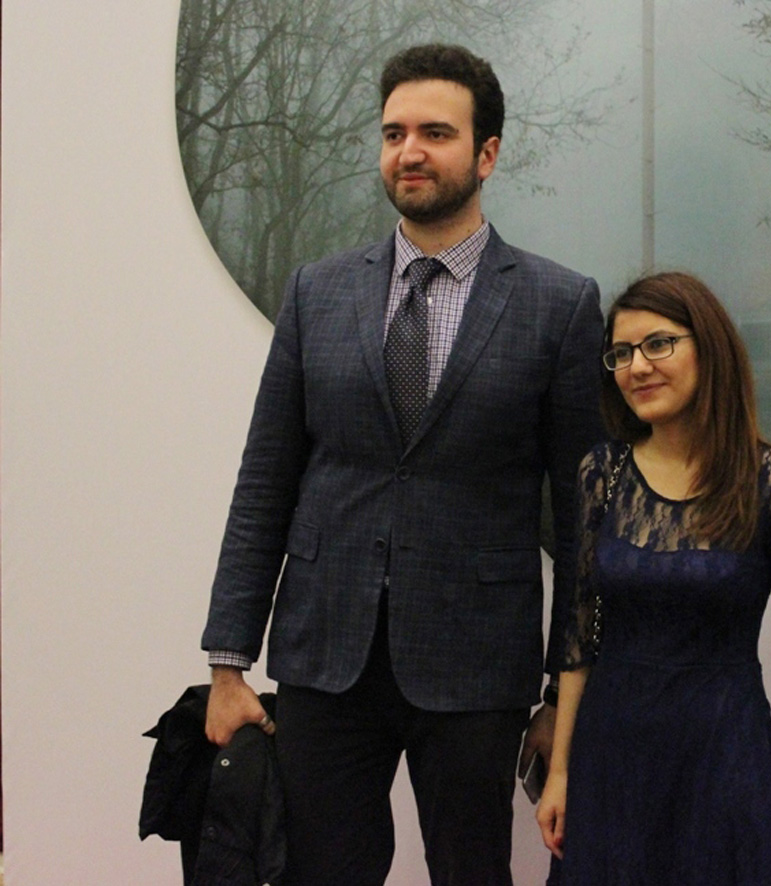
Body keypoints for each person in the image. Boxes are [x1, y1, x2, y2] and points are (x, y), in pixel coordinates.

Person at [200, 43, 604, 886]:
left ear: (487, 153)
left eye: (434, 133)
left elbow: (581, 523)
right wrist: (227, 662)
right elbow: (265, 482)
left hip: (475, 665)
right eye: (393, 134)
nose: (409, 152)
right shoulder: (317, 292)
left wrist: (563, 695)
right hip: (324, 656)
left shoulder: (559, 306)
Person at [536, 272, 771, 885]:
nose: (637, 367)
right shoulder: (601, 473)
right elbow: (576, 639)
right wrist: (561, 773)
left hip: (725, 757)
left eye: (658, 344)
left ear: (710, 346)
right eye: (620, 354)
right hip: (612, 760)